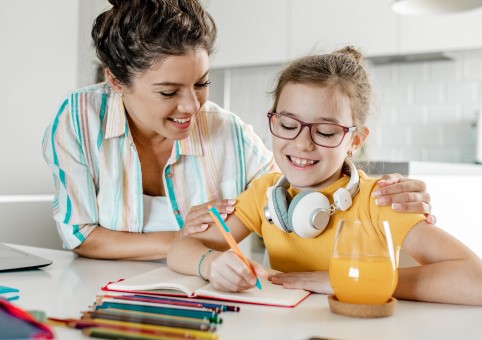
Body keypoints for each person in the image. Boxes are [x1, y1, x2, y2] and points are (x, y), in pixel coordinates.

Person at [42, 0, 433, 261]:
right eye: (168, 91)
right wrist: (187, 243)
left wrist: (378, 196)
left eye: (201, 84)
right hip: (100, 291)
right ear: (116, 81)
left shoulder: (229, 133)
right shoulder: (79, 119)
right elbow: (80, 235)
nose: (193, 106)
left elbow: (298, 197)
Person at [167, 47, 482, 306]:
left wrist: (347, 278)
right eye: (288, 125)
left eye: (327, 131)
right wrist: (211, 264)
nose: (302, 143)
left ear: (354, 141)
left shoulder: (381, 201)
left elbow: (475, 280)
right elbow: (181, 249)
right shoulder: (265, 194)